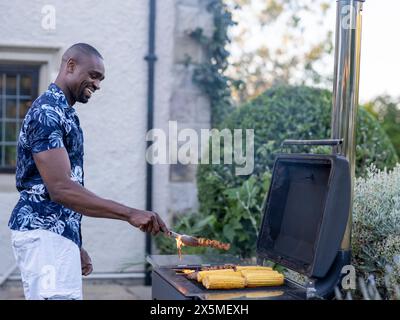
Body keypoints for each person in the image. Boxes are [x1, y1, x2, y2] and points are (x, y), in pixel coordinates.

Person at [8, 43, 168, 300]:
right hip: (45, 238)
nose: (98, 84)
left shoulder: (65, 113)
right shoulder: (47, 113)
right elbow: (60, 189)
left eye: (101, 78)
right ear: (70, 65)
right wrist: (130, 213)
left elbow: (62, 188)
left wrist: (73, 241)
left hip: (57, 237)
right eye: (93, 75)